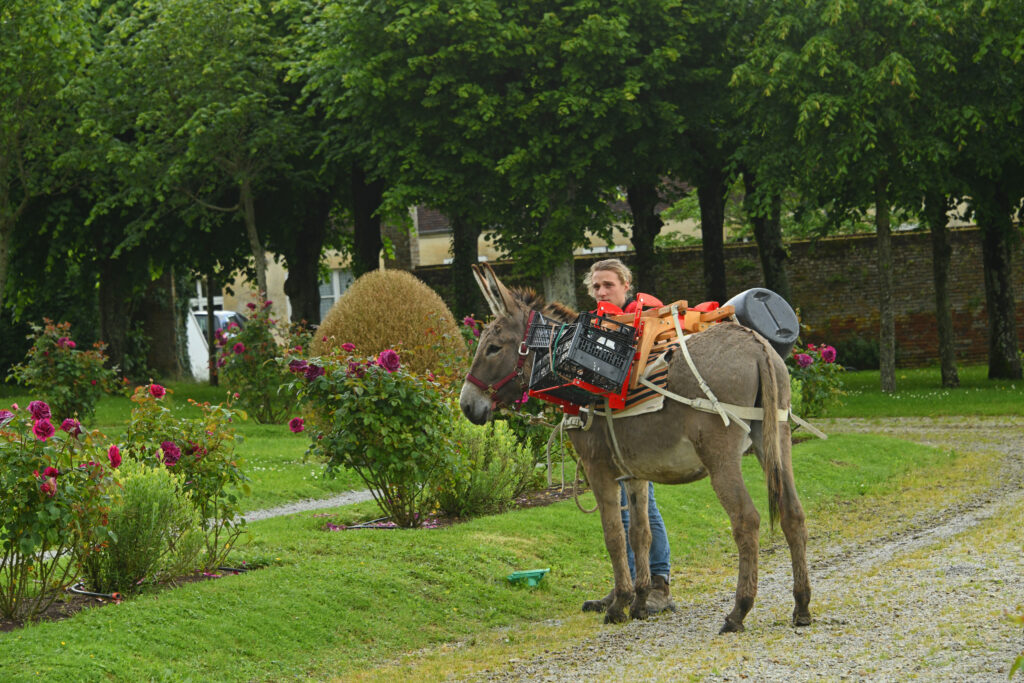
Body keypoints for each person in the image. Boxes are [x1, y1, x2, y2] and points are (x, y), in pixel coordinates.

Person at [582, 258, 675, 614]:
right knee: (619, 507)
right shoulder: (595, 325)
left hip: (642, 426)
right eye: (596, 287)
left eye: (608, 284)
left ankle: (659, 583)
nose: (602, 292)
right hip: (611, 430)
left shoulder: (645, 316)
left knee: (644, 507)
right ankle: (628, 581)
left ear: (626, 286)